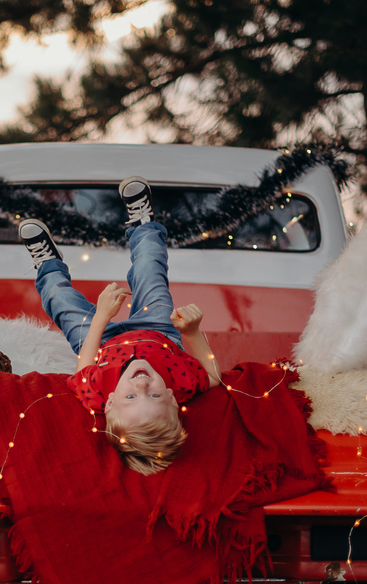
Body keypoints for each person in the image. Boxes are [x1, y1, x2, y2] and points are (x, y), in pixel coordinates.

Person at [19, 176, 220, 474]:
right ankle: (142, 224)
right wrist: (192, 332)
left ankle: (48, 264)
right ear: (172, 399)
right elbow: (214, 376)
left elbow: (84, 367)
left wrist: (101, 317)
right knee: (150, 268)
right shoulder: (181, 384)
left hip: (101, 340)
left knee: (60, 301)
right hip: (158, 329)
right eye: (154, 395)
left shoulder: (95, 396)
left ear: (110, 403)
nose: (142, 384)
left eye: (131, 396)